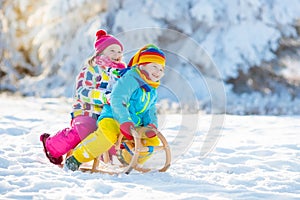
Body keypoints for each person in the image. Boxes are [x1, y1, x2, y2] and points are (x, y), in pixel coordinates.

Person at [64, 44, 166, 171]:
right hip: (113, 117)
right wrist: (124, 121)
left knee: (152, 140)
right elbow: (118, 100)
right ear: (142, 66)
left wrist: (151, 124)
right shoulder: (130, 79)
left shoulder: (152, 90)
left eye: (162, 69)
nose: (158, 72)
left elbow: (150, 110)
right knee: (107, 135)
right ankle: (76, 158)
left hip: (133, 123)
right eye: (154, 67)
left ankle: (127, 159)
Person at [40, 29, 127, 165]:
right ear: (101, 52)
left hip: (108, 114)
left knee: (115, 132)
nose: (117, 54)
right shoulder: (92, 69)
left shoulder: (120, 73)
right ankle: (52, 146)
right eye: (112, 50)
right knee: (84, 128)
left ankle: (117, 157)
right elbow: (83, 91)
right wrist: (104, 97)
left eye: (119, 51)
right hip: (87, 111)